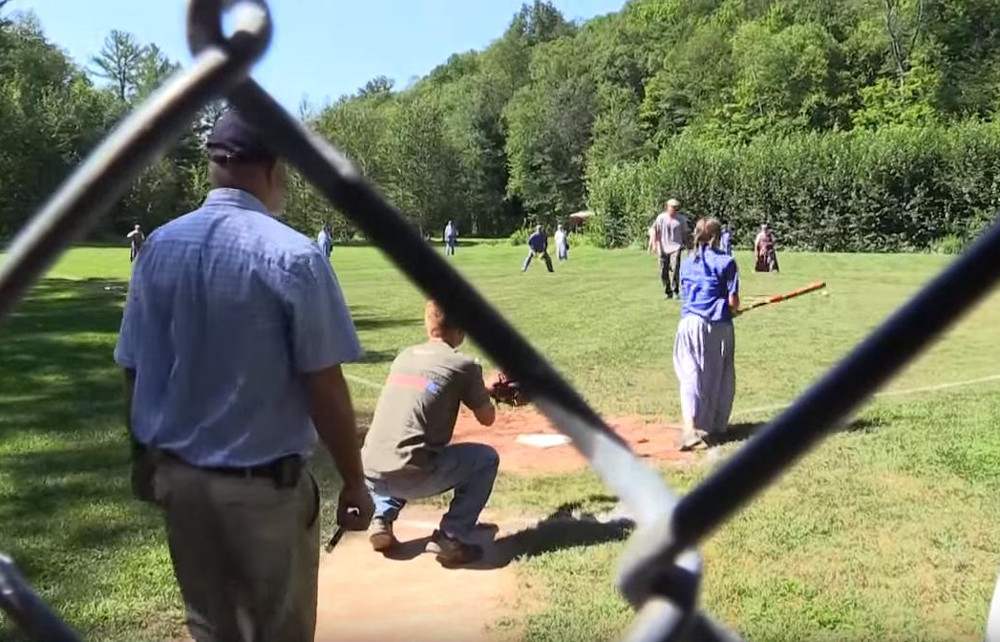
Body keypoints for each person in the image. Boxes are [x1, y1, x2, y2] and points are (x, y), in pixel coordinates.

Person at [114, 109, 374, 642]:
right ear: (274, 170)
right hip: (265, 493)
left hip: (183, 485)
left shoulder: (159, 247)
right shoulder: (294, 256)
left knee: (210, 629)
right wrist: (353, 479)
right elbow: (324, 384)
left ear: (214, 166)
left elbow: (134, 369)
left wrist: (143, 458)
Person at [362, 300, 499, 565]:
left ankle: (381, 518)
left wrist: (480, 389)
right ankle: (451, 535)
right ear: (462, 329)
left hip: (370, 472)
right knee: (486, 459)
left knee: (398, 444)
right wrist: (485, 391)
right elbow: (487, 418)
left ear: (428, 325)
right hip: (412, 474)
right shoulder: (465, 365)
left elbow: (432, 387)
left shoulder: (404, 356)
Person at [673, 218, 740, 452]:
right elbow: (733, 302)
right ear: (717, 236)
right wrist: (732, 310)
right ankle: (715, 425)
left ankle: (691, 427)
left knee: (690, 376)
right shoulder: (727, 262)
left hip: (687, 324)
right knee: (719, 375)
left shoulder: (687, 262)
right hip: (715, 327)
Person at [653, 199, 690, 299]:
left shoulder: (681, 219)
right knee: (663, 271)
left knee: (675, 269)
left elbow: (685, 234)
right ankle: (667, 291)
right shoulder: (661, 218)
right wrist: (655, 245)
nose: (674, 209)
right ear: (667, 207)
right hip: (663, 247)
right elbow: (655, 232)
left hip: (676, 247)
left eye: (675, 207)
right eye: (672, 207)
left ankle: (675, 290)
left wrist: (688, 245)